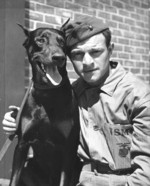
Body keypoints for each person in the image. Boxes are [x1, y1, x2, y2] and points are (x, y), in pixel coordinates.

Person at [2, 16, 150, 186]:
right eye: (78, 54)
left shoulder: (139, 97)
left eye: (95, 52)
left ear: (110, 50)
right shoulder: (71, 93)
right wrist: (15, 120)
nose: (87, 62)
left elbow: (145, 178)